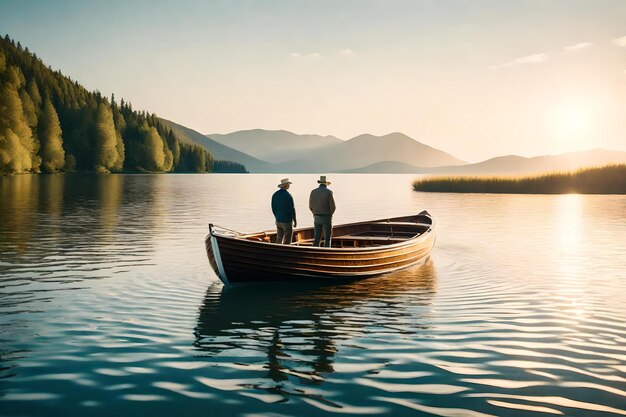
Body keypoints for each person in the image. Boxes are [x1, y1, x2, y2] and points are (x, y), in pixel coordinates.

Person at [309, 175, 336, 247]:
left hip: (316, 217)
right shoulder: (329, 192)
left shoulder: (313, 192)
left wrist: (314, 214)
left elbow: (310, 206)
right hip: (326, 216)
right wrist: (330, 215)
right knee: (327, 238)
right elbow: (333, 207)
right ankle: (327, 252)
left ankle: (314, 252)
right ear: (326, 183)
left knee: (317, 237)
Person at [271, 178, 297, 244]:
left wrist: (276, 216)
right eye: (289, 184)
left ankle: (277, 251)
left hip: (278, 220)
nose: (289, 186)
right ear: (286, 185)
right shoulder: (288, 196)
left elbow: (273, 208)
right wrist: (295, 220)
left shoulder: (275, 195)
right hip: (287, 221)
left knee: (279, 238)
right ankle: (286, 251)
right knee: (287, 239)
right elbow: (292, 209)